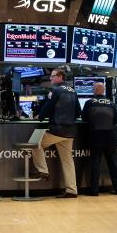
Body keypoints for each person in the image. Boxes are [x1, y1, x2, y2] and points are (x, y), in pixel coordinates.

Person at [31, 67, 81, 198]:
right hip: (70, 132)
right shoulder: (73, 91)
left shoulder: (56, 91)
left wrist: (39, 116)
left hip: (57, 130)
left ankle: (43, 170)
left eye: (53, 76)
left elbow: (47, 108)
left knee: (35, 144)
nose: (50, 78)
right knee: (68, 161)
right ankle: (72, 190)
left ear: (60, 77)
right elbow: (78, 112)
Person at [82, 81, 117, 196]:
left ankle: (94, 190)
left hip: (95, 136)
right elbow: (116, 120)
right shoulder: (111, 103)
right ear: (103, 90)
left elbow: (84, 118)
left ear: (94, 90)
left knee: (95, 162)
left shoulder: (89, 103)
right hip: (110, 136)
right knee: (113, 163)